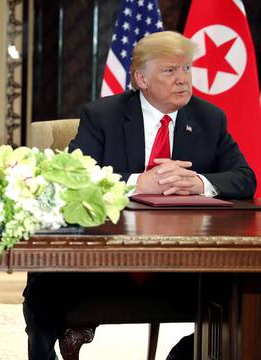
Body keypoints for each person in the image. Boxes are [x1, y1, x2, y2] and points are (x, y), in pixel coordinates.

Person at [23, 31, 256, 360]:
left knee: (247, 292)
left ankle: (184, 355)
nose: (182, 79)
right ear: (141, 78)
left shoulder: (209, 119)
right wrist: (135, 183)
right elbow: (70, 179)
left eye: (187, 69)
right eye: (170, 70)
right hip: (107, 260)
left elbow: (245, 179)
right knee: (45, 282)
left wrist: (200, 182)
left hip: (188, 266)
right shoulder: (102, 116)